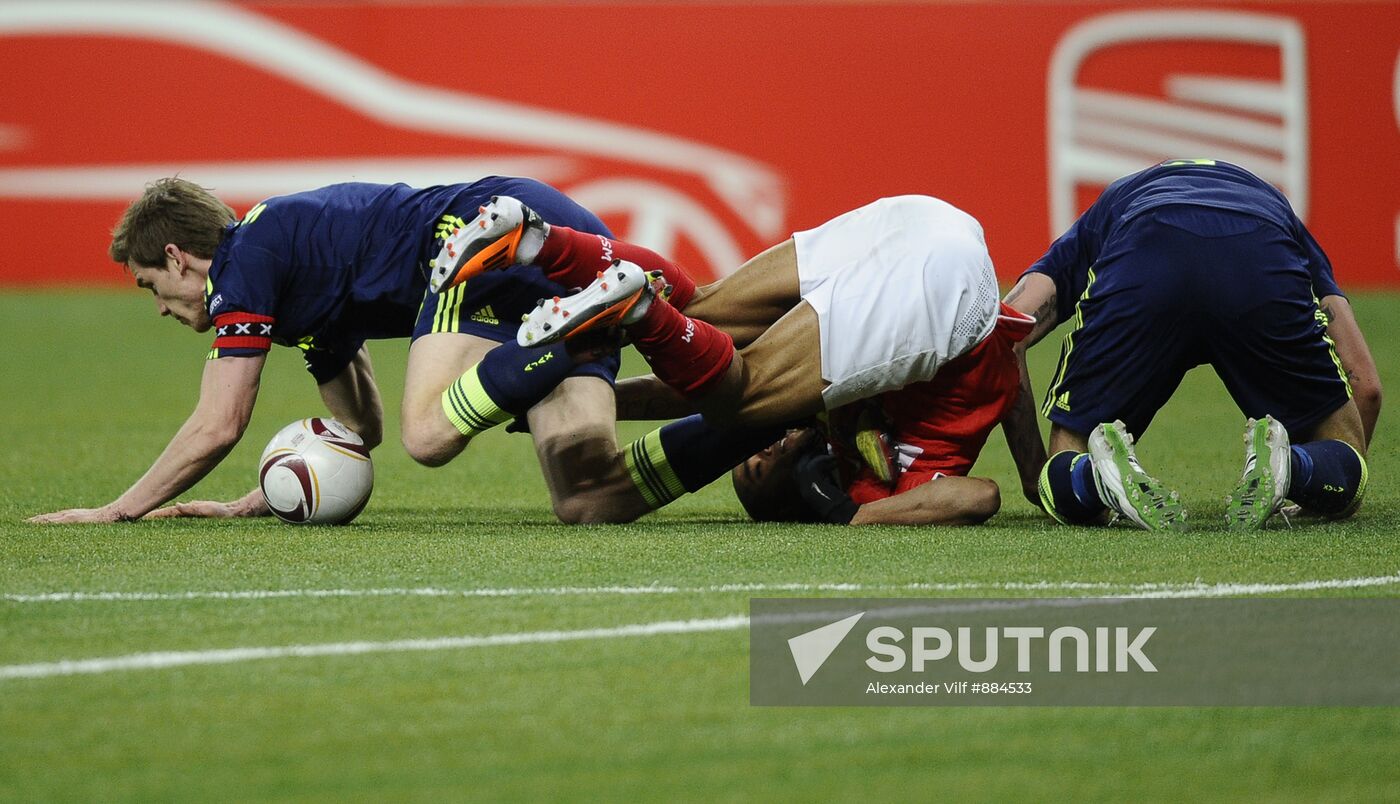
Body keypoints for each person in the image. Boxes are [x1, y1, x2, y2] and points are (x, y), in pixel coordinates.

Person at [28, 176, 703, 524]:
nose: (159, 307)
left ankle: (588, 323)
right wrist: (266, 491)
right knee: (587, 497)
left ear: (177, 258)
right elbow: (358, 430)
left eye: (152, 286)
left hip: (476, 242)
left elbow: (218, 423)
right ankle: (735, 414)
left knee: (430, 433)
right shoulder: (292, 273)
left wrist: (117, 510)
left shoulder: (244, 263)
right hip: (540, 246)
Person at [480, 193, 1048, 516]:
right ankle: (629, 302)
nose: (763, 449)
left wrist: (579, 406)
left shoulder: (831, 407)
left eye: (750, 462)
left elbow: (687, 394)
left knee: (705, 312)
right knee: (738, 397)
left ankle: (541, 241)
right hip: (947, 271)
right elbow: (980, 496)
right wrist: (1032, 474)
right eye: (760, 464)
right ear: (802, 475)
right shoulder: (870, 485)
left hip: (929, 228)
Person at [999, 158, 1381, 532]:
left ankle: (1096, 478)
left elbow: (1009, 332)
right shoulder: (1275, 208)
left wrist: (1038, 477)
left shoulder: (1111, 206)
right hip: (1258, 251)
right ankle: (1292, 468)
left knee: (1073, 447)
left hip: (1144, 247)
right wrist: (1330, 476)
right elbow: (1368, 387)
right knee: (1343, 444)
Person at [728, 298, 1035, 525]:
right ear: (787, 499)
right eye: (755, 469)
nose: (761, 451)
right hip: (970, 332)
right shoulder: (874, 496)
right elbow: (983, 497)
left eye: (750, 451)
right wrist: (847, 513)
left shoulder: (821, 419)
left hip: (940, 305)